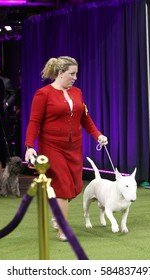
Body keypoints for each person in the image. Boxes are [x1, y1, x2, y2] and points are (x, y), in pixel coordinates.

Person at [25, 56, 108, 241]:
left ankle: (57, 212)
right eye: (72, 74)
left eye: (76, 73)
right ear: (60, 73)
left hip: (74, 146)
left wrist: (98, 135)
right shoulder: (43, 94)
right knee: (62, 186)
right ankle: (63, 230)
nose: (75, 77)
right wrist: (29, 146)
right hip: (52, 146)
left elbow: (85, 118)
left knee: (74, 187)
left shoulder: (77, 92)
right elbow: (34, 122)